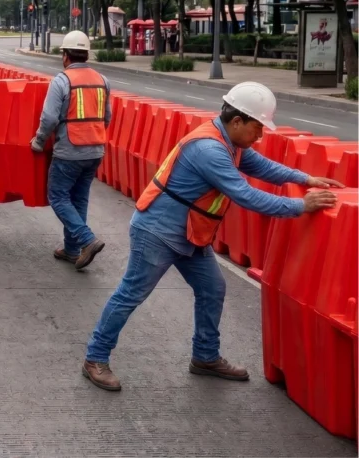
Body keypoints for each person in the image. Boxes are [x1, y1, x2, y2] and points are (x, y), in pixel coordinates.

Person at [82, 82, 343, 392]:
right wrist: (301, 205)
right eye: (258, 127)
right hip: (158, 231)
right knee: (131, 294)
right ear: (237, 121)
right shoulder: (210, 150)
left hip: (191, 232)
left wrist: (306, 178)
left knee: (212, 289)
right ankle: (95, 358)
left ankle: (205, 356)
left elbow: (262, 166)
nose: (260, 135)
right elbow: (246, 195)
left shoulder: (230, 143)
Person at [31, 31, 110, 270]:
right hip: (95, 150)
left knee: (57, 196)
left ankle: (87, 240)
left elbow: (49, 118)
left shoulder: (62, 81)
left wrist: (38, 141)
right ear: (86, 54)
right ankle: (72, 249)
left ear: (65, 55)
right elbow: (107, 117)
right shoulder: (102, 80)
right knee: (79, 198)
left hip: (70, 150)